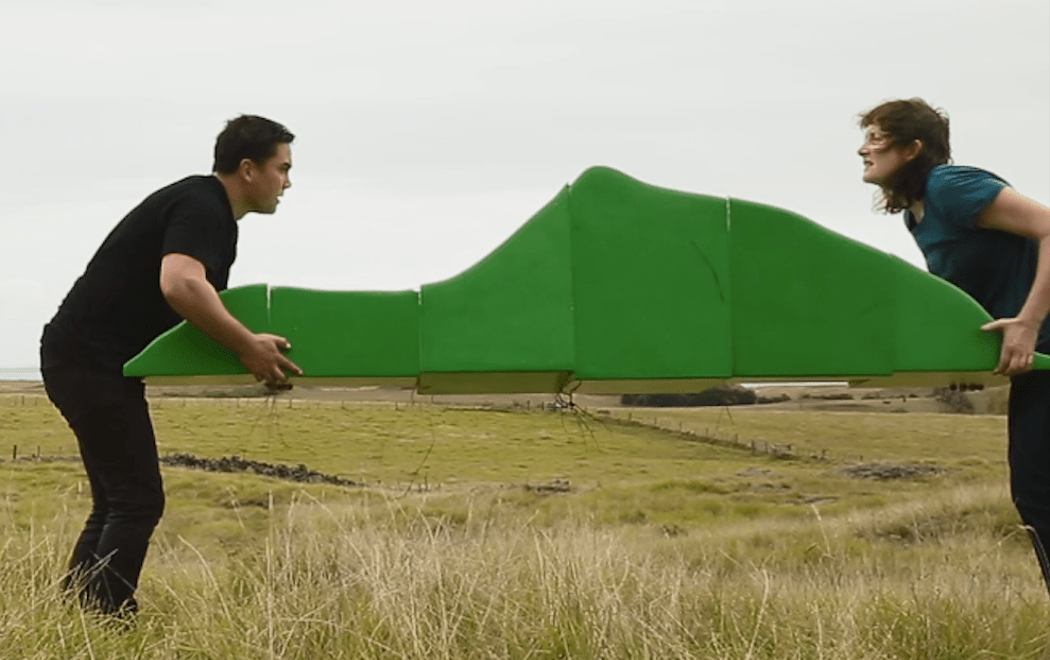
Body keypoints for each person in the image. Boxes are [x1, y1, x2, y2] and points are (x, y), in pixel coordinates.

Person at [40, 115, 304, 617]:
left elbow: (191, 304)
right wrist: (247, 346)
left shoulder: (207, 211)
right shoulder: (202, 205)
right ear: (248, 169)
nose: (288, 183)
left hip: (85, 359)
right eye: (282, 168)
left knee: (118, 500)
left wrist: (244, 343)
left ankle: (79, 616)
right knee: (137, 500)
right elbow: (181, 285)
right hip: (89, 361)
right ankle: (108, 620)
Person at [857, 98, 1050, 594]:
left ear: (913, 148)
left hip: (1048, 349)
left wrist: (1028, 322)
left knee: (1038, 493)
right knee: (1035, 495)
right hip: (1037, 366)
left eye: (876, 138)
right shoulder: (917, 215)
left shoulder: (952, 186)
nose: (863, 149)